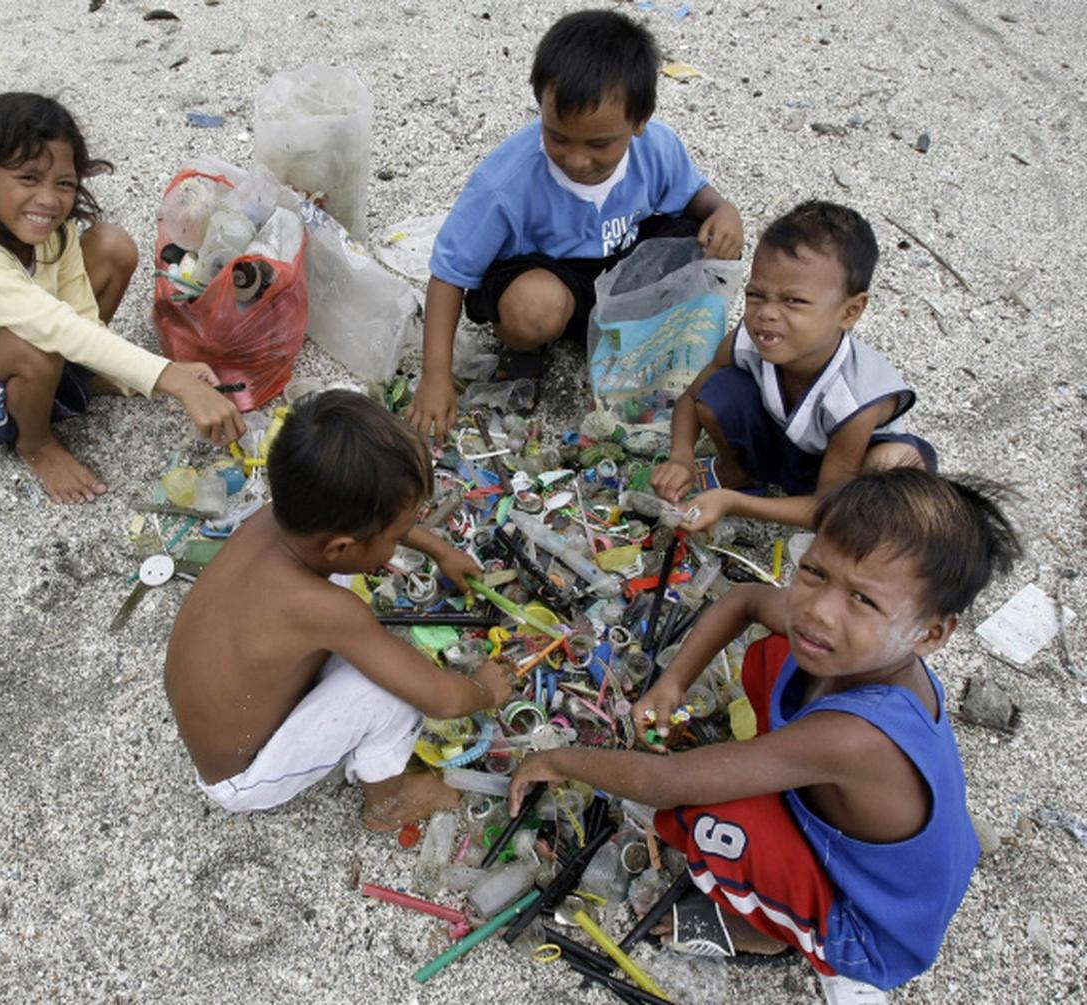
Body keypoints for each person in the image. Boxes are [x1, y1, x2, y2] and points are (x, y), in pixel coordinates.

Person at [509, 469, 1021, 1001]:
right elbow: (747, 601)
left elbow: (665, 783)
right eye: (814, 571)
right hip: (890, 866)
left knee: (704, 820)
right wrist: (673, 682)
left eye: (863, 600)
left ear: (931, 633)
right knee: (776, 655)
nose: (819, 610)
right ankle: (780, 834)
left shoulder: (856, 736)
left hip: (871, 929)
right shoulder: (865, 650)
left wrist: (558, 760)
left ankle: (771, 934)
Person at [164, 390, 513, 828]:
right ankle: (388, 805)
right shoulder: (326, 610)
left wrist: (440, 550)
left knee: (349, 605)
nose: (401, 539)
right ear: (341, 546)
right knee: (392, 695)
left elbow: (363, 528)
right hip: (243, 778)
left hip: (219, 710)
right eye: (396, 536)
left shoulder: (276, 517)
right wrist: (483, 691)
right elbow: (442, 699)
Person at [406, 9, 743, 439]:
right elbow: (450, 274)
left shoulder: (658, 148)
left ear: (640, 121)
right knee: (534, 308)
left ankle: (642, 343)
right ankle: (528, 347)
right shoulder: (505, 182)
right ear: (541, 109)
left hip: (622, 270)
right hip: (548, 278)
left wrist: (723, 209)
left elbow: (695, 195)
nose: (578, 160)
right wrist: (435, 375)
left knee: (707, 244)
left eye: (599, 144)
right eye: (558, 137)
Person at [0, 92, 245, 504]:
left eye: (64, 183)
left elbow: (82, 320)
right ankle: (36, 443)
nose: (49, 200)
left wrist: (145, 378)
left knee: (112, 246)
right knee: (34, 345)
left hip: (44, 338)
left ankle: (86, 376)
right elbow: (53, 326)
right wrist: (173, 379)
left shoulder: (54, 229)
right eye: (28, 178)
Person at [650, 200, 935, 532]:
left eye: (794, 301)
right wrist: (681, 457)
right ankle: (742, 473)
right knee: (719, 390)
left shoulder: (852, 396)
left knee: (890, 472)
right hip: (791, 448)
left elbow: (826, 506)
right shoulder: (747, 341)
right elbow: (689, 398)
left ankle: (836, 523)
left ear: (850, 312)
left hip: (848, 468)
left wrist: (733, 503)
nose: (767, 314)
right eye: (756, 295)